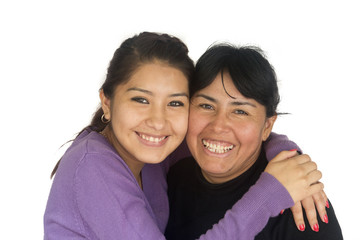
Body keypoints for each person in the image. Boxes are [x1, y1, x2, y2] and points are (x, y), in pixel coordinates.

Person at [44, 32, 324, 240]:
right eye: (141, 100)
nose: (158, 122)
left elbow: (224, 139)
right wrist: (269, 195)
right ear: (107, 101)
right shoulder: (92, 168)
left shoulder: (152, 153)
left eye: (175, 103)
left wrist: (286, 156)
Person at [165, 44, 343, 239]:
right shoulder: (170, 180)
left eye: (240, 111)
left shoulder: (298, 204)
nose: (218, 126)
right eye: (206, 106)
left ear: (267, 126)